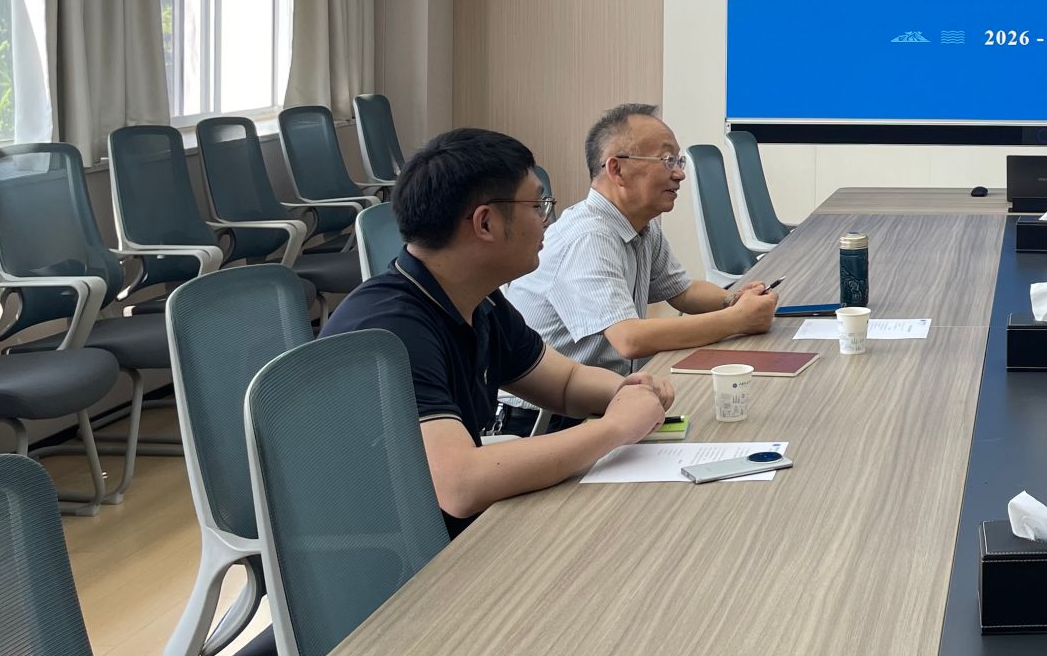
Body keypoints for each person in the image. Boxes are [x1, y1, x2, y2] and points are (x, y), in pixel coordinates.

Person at [323, 128, 674, 537]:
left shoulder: (477, 299)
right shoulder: (391, 330)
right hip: (401, 550)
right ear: (485, 222)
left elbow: (564, 382)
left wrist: (629, 392)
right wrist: (614, 428)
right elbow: (461, 485)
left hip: (443, 526)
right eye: (537, 205)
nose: (547, 220)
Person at [506, 103, 777, 375]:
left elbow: (682, 292)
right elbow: (630, 339)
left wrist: (735, 300)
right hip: (553, 402)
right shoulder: (588, 237)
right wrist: (737, 319)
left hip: (609, 387)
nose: (680, 174)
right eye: (667, 161)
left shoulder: (642, 225)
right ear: (617, 170)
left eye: (679, 161)